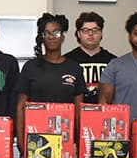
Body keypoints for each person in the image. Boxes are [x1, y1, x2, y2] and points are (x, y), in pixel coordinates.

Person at [16, 13, 85, 148]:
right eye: (47, 33)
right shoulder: (30, 67)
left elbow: (79, 108)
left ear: (63, 37)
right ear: (42, 37)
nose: (52, 37)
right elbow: (20, 106)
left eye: (56, 33)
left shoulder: (74, 68)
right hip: (35, 138)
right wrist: (20, 140)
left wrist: (78, 141)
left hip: (65, 138)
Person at [65, 12, 117, 104]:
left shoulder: (113, 62)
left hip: (104, 114)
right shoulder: (67, 60)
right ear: (78, 34)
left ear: (101, 33)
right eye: (85, 30)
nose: (90, 34)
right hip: (75, 114)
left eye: (95, 30)